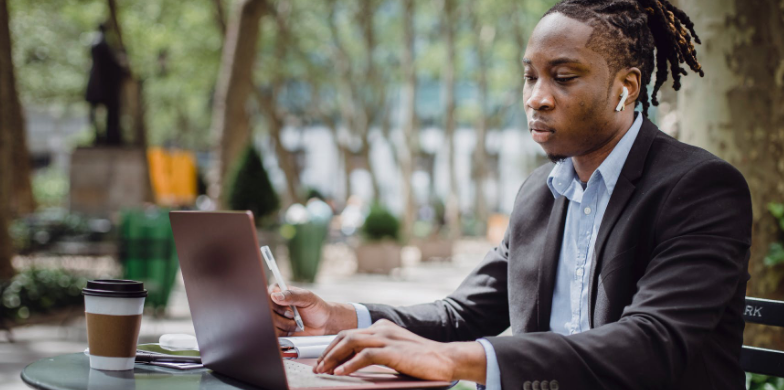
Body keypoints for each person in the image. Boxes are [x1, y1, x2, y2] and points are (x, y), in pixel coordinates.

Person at [268, 1, 752, 389]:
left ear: (625, 89)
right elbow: (463, 315)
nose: (537, 97)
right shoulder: (539, 193)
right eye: (530, 76)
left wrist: (458, 360)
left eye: (563, 77)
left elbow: (651, 343)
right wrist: (337, 315)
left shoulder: (699, 188)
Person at [85, 23, 125, 146]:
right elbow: (112, 66)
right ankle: (107, 137)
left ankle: (103, 136)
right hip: (105, 87)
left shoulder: (97, 43)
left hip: (98, 86)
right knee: (109, 112)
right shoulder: (103, 45)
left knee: (100, 113)